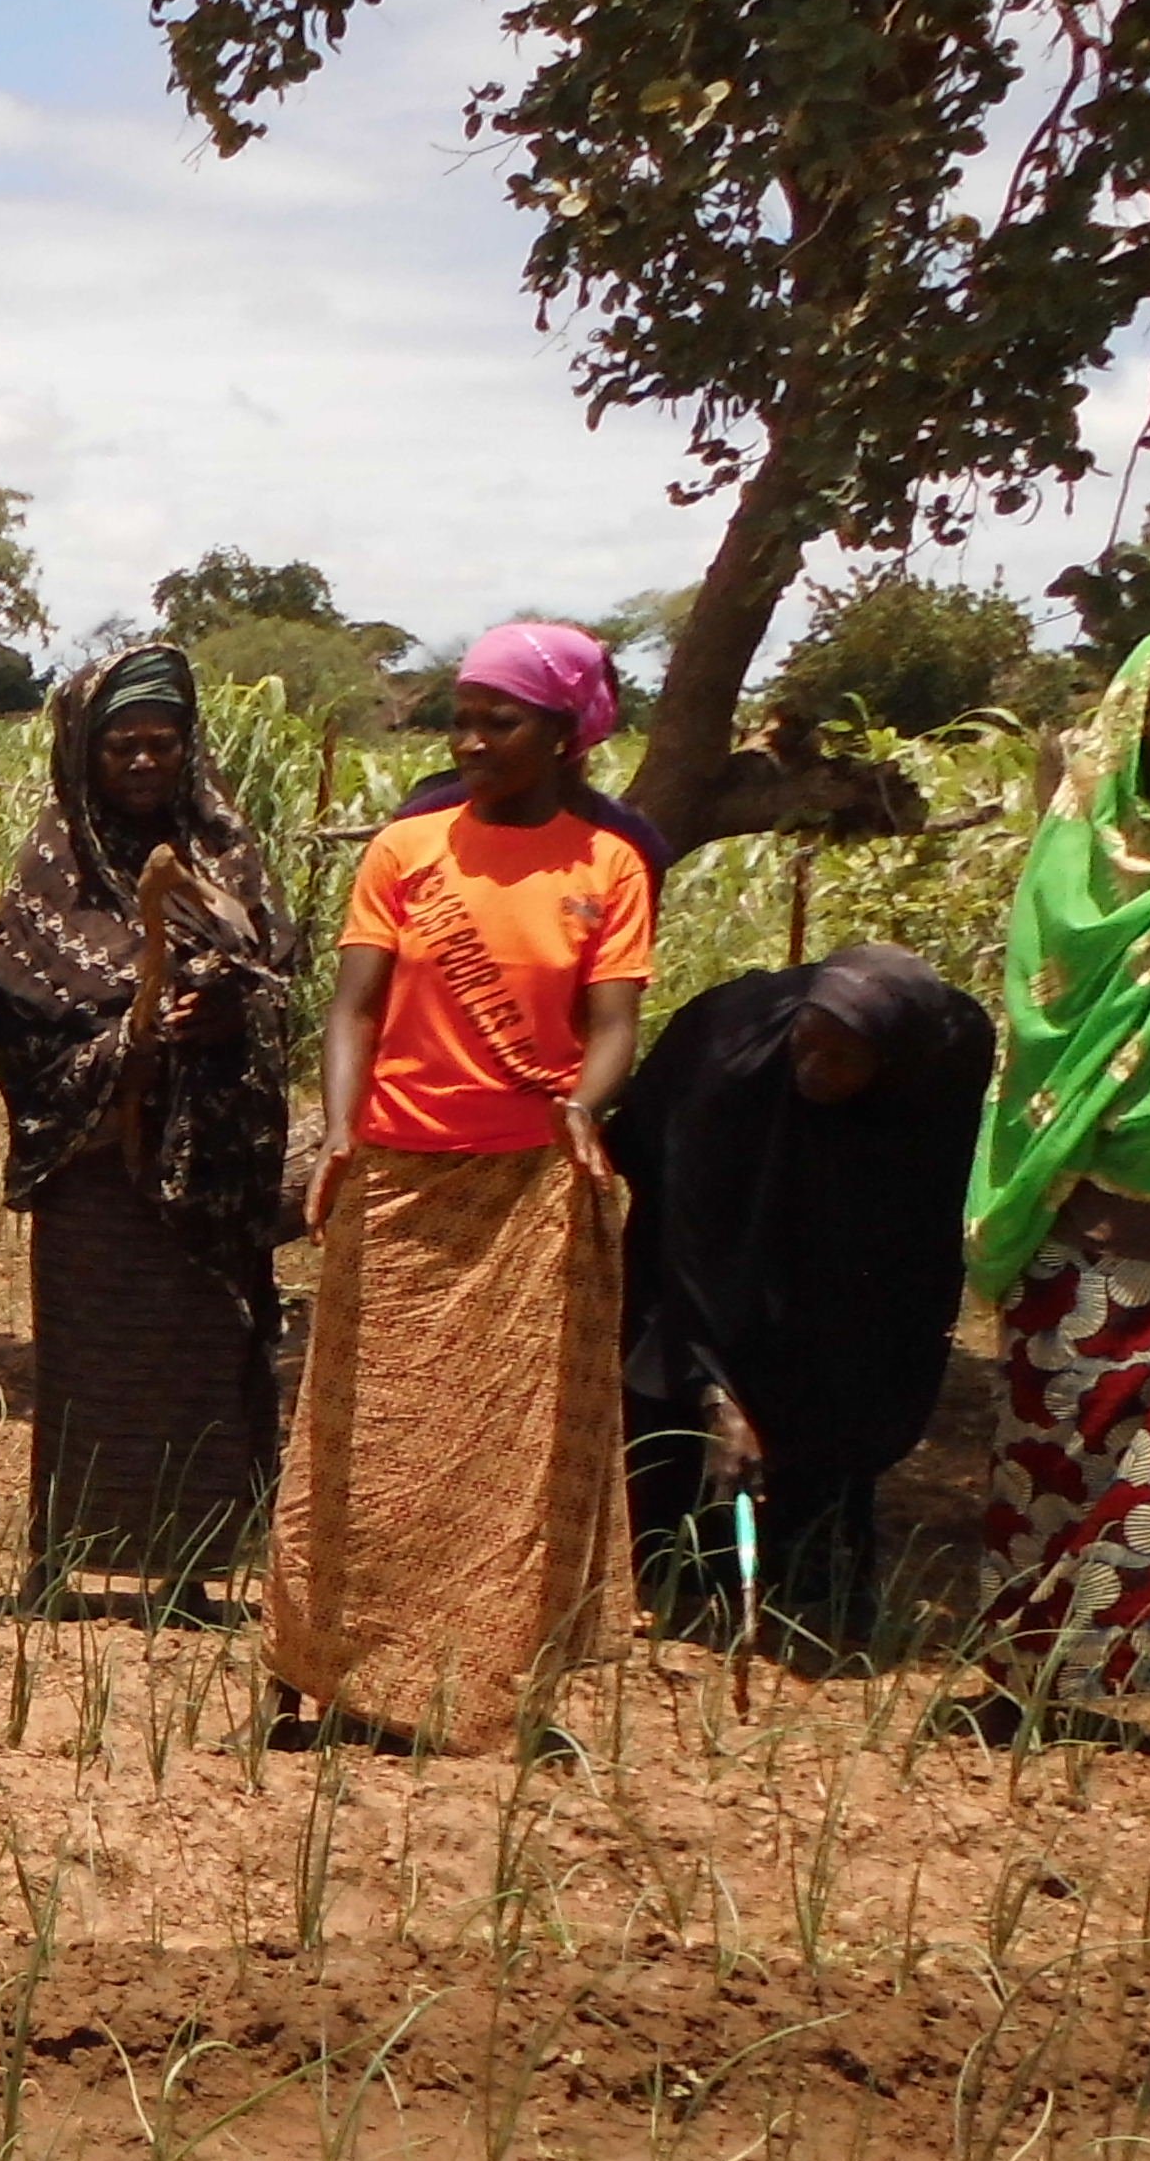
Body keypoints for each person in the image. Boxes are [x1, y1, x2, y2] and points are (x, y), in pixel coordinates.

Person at [267, 627, 657, 1750]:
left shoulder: (608, 869)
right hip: (397, 1176)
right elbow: (353, 1008)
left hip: (534, 1188)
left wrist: (583, 1105)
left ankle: (484, 1692)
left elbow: (615, 1024)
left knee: (509, 1454)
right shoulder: (407, 853)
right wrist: (341, 1130)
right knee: (362, 1440)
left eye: (503, 719)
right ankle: (327, 1673)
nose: (473, 739)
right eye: (466, 716)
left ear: (567, 731)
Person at [0, 642, 300, 1601]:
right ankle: (65, 1554)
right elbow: (19, 1002)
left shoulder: (227, 850)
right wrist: (129, 1039)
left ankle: (191, 1571)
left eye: (163, 744)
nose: (145, 764)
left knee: (199, 1354)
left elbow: (274, 962)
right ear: (85, 755)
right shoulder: (50, 866)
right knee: (95, 1359)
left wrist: (233, 1005)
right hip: (100, 1166)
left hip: (210, 1170)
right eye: (123, 748)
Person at [609, 943, 990, 1655]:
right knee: (687, 1413)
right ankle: (681, 1577)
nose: (813, 1069)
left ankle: (813, 1576)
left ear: (892, 1063)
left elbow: (922, 1232)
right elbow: (692, 1244)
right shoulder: (731, 1055)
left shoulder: (943, 1061)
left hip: (845, 1222)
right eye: (805, 1047)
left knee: (839, 1366)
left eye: (841, 1059)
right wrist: (716, 1391)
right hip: (710, 1192)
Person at [962, 619, 1150, 1739]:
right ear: (1131, 722)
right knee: (1054, 1475)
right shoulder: (1072, 865)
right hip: (1088, 1237)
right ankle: (1043, 1695)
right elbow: (1041, 1031)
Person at [388, 620, 676, 898]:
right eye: (461, 723)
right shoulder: (417, 828)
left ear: (566, 727)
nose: (471, 745)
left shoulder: (629, 850)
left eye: (502, 723)